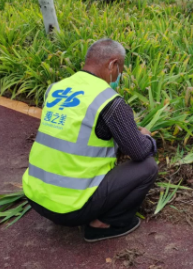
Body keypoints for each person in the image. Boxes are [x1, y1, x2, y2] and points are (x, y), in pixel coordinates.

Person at [22, 38, 158, 242]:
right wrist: (147, 138)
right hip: (72, 209)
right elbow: (138, 151)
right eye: (120, 70)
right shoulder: (108, 101)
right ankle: (104, 224)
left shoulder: (56, 88)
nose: (119, 76)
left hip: (35, 197)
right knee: (147, 167)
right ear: (112, 64)